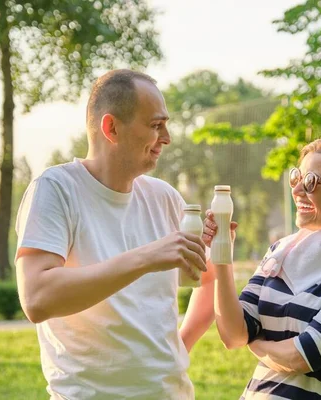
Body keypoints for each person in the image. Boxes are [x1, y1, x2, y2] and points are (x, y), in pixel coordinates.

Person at [15, 70, 216, 399]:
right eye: (155, 125)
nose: (167, 137)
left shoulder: (166, 199)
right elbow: (37, 298)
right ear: (111, 128)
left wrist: (179, 348)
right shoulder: (56, 189)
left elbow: (206, 280)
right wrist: (147, 257)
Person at [204, 138, 321, 400]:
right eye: (297, 178)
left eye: (311, 182)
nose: (296, 191)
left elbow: (303, 355)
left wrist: (255, 343)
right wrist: (222, 252)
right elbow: (233, 334)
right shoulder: (280, 251)